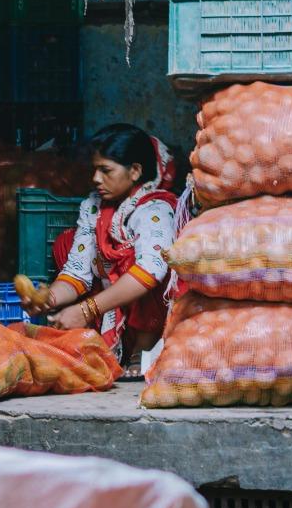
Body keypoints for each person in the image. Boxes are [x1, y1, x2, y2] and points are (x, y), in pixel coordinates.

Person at [19, 124, 179, 372]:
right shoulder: (94, 206)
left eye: (106, 171)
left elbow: (151, 271)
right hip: (113, 304)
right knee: (66, 242)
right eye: (95, 169)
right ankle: (111, 344)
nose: (95, 179)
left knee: (145, 265)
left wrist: (86, 310)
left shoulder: (155, 209)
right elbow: (77, 272)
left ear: (135, 171)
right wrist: (49, 298)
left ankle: (145, 348)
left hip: (154, 316)